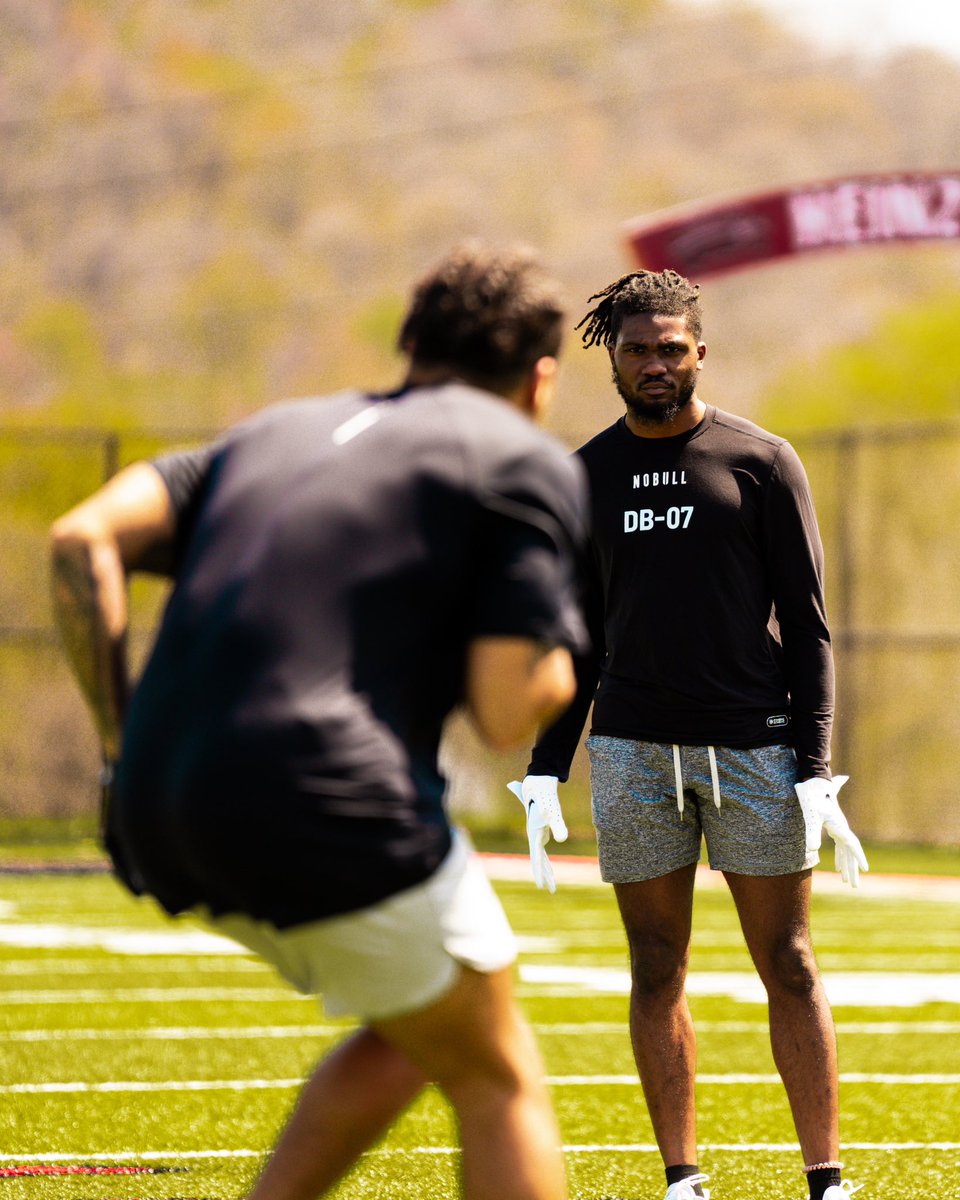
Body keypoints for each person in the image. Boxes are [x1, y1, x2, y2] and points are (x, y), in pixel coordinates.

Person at [49, 242, 591, 1200]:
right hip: (325, 794)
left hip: (151, 803)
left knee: (417, 1024)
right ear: (540, 380)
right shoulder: (517, 456)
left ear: (411, 342)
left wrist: (120, 744)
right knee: (497, 1074)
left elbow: (82, 538)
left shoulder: (272, 433)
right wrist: (564, 660)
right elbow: (509, 712)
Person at [511, 269, 868, 1200]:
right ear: (613, 359)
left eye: (672, 348)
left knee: (787, 960)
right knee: (654, 963)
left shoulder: (761, 459)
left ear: (700, 352)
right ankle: (682, 1176)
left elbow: (810, 626)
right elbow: (576, 638)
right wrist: (547, 767)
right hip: (631, 751)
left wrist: (816, 769)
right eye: (638, 349)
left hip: (753, 744)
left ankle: (825, 1178)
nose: (657, 363)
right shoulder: (583, 475)